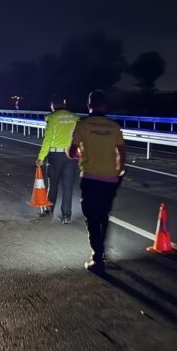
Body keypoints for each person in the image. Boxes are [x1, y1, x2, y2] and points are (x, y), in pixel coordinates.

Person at [67, 90, 126, 272]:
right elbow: (122, 155)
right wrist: (119, 172)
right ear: (105, 105)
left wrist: (78, 153)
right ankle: (101, 252)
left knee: (91, 217)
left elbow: (71, 153)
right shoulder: (114, 127)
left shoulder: (83, 126)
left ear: (89, 105)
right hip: (110, 178)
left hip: (90, 177)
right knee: (103, 215)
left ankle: (97, 256)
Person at [37, 95, 80, 223]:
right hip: (71, 156)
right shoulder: (75, 118)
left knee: (53, 184)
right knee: (68, 187)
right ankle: (66, 216)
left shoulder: (52, 118)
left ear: (52, 105)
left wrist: (41, 157)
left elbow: (48, 140)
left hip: (55, 156)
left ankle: (49, 210)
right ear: (65, 104)